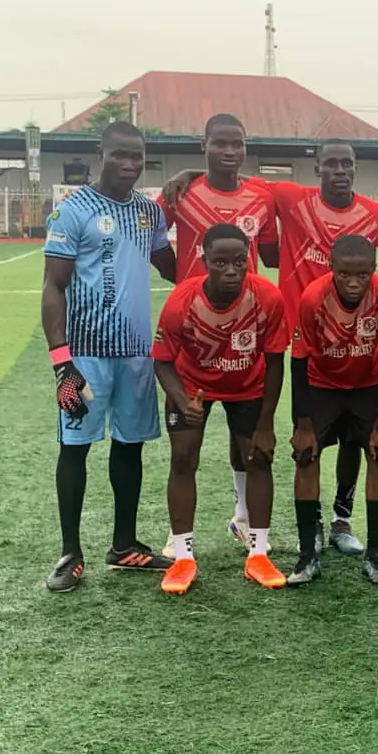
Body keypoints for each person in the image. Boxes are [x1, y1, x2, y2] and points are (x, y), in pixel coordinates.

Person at [164, 139, 378, 555]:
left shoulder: (377, 214)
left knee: (355, 441)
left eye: (347, 164)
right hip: (301, 349)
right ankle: (279, 522)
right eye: (331, 163)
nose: (339, 171)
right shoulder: (291, 198)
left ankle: (341, 519)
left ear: (355, 168)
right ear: (317, 168)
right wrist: (190, 174)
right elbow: (234, 178)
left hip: (356, 348)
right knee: (299, 440)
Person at [41, 121, 177, 593]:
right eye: (120, 154)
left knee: (130, 446)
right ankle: (70, 552)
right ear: (100, 153)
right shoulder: (73, 210)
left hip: (136, 357)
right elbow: (53, 286)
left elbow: (173, 269)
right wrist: (62, 362)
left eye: (137, 156)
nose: (130, 163)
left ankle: (124, 544)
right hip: (84, 358)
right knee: (75, 447)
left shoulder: (148, 213)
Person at [156, 113, 280, 556]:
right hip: (193, 328)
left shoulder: (261, 195)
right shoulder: (181, 193)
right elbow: (152, 238)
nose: (230, 151)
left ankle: (243, 517)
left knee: (244, 436)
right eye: (220, 143)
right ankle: (178, 536)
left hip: (244, 325)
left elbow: (271, 254)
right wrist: (178, 278)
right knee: (185, 445)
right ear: (203, 144)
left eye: (237, 144)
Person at [152, 223, 289, 595]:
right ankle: (183, 557)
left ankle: (258, 554)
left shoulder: (268, 297)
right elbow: (162, 361)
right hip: (192, 385)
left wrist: (266, 424)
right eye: (220, 262)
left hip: (247, 385)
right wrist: (183, 400)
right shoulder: (182, 301)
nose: (231, 270)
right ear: (204, 261)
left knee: (258, 457)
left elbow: (275, 362)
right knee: (183, 458)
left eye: (239, 262)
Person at [288, 235, 378, 586]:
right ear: (331, 268)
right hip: (321, 386)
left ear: (374, 269)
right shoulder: (313, 298)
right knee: (306, 455)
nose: (353, 282)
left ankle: (374, 553)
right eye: (344, 274)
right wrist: (302, 423)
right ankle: (308, 553)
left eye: (362, 275)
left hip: (367, 386)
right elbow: (298, 361)